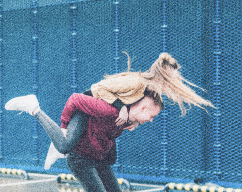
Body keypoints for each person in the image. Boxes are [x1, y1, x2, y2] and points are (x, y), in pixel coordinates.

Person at [43, 52, 216, 169]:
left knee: (109, 158)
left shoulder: (149, 91)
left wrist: (134, 121)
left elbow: (138, 109)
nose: (176, 80)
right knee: (65, 144)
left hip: (102, 114)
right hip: (87, 106)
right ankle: (47, 128)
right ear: (164, 75)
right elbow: (98, 88)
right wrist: (121, 107)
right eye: (175, 77)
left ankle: (62, 149)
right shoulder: (137, 82)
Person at [5, 90, 163, 192]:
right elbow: (75, 98)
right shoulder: (110, 110)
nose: (151, 120)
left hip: (97, 157)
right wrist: (64, 128)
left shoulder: (127, 119)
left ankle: (60, 143)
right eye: (152, 116)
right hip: (80, 158)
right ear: (143, 108)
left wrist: (133, 120)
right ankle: (35, 109)